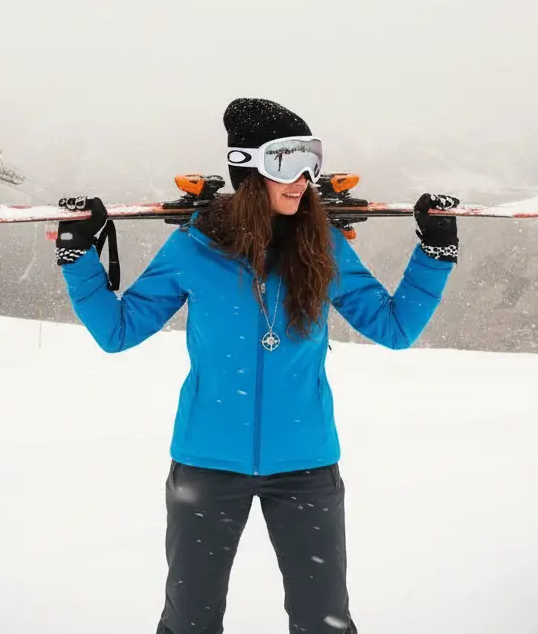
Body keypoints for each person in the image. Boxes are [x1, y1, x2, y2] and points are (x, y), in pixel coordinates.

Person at [54, 98, 460, 634]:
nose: (304, 179)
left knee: (324, 624)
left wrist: (435, 251)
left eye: (311, 160)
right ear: (248, 170)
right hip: (207, 465)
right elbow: (118, 330)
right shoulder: (194, 249)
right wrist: (78, 255)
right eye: (286, 162)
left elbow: (394, 327)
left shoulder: (324, 245)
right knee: (190, 622)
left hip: (306, 468)